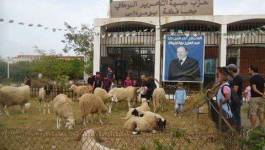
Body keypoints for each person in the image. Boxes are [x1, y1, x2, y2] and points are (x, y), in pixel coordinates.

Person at [227, 64, 243, 130]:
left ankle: (238, 129)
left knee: (236, 115)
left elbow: (235, 90)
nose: (227, 71)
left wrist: (228, 90)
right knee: (235, 114)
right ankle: (236, 128)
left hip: (236, 99)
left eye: (228, 70)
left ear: (231, 70)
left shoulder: (237, 78)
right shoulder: (234, 78)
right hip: (235, 99)